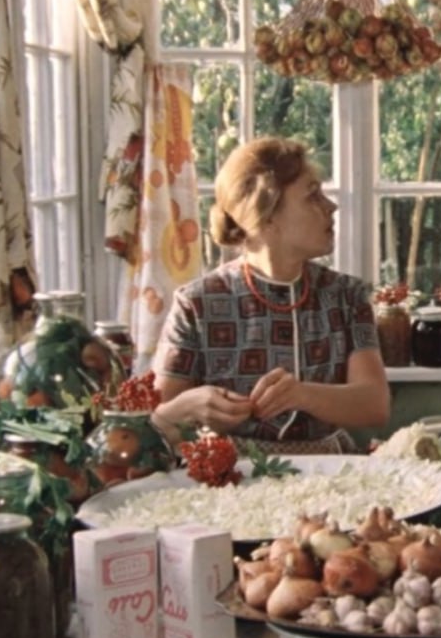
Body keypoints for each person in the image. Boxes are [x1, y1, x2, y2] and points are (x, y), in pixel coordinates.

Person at [151, 136, 390, 453]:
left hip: (332, 468)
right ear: (267, 215)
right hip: (227, 472)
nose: (331, 206)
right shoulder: (196, 304)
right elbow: (157, 422)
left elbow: (375, 404)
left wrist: (302, 394)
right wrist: (190, 407)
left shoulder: (347, 295)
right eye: (312, 195)